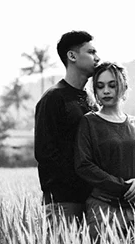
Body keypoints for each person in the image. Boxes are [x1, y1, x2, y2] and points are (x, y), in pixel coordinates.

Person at [74, 62, 135, 242]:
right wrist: (124, 187)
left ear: (124, 87)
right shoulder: (89, 122)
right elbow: (84, 165)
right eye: (100, 86)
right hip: (104, 207)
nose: (106, 91)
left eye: (112, 85)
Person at [34, 30, 100, 224]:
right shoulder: (53, 98)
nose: (98, 58)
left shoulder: (92, 99)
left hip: (92, 200)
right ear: (72, 56)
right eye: (91, 52)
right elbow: (46, 153)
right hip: (63, 202)